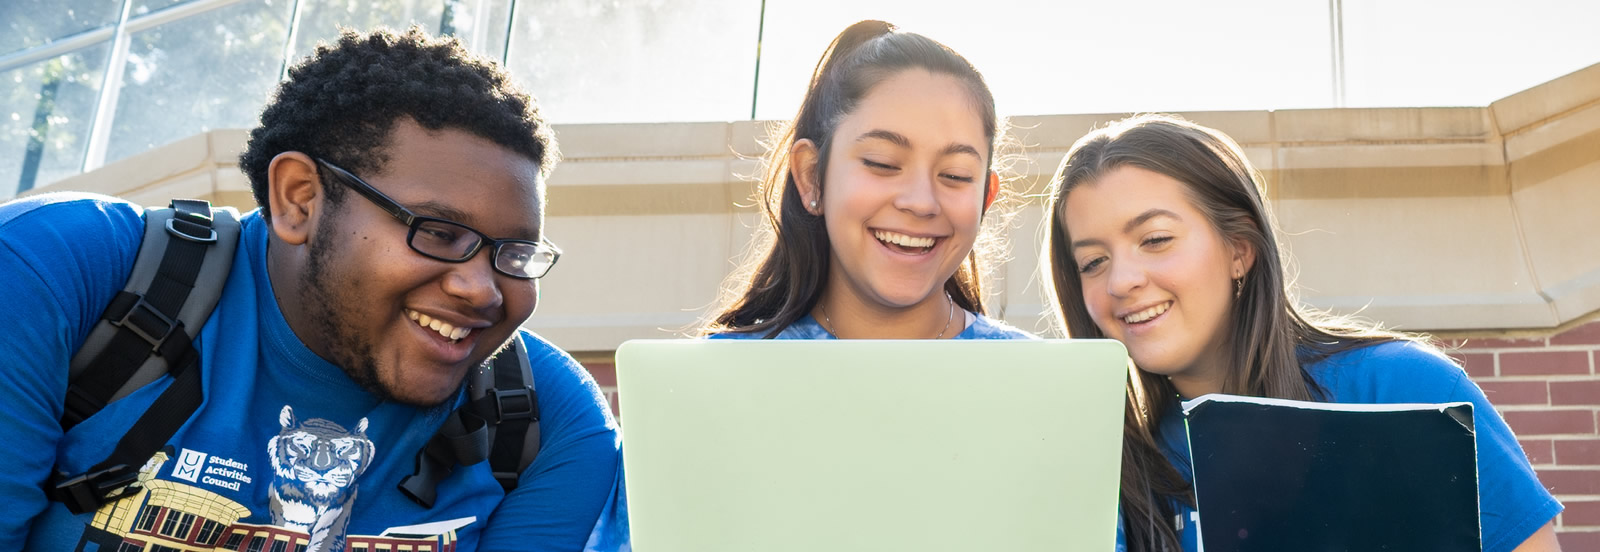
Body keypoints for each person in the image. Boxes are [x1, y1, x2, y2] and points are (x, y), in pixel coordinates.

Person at [0, 28, 619, 551]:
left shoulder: (549, 420)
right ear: (299, 200)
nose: (481, 290)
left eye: (515, 254)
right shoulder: (53, 268)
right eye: (438, 232)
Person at [1042, 114, 1563, 552]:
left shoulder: (1403, 389)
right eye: (1092, 262)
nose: (1121, 281)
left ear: (1240, 249)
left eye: (1155, 239)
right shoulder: (1104, 466)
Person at [705, 19, 1032, 341]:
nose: (921, 202)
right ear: (812, 177)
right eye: (882, 164)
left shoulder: (1035, 368)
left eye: (954, 175)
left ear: (985, 198)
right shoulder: (723, 367)